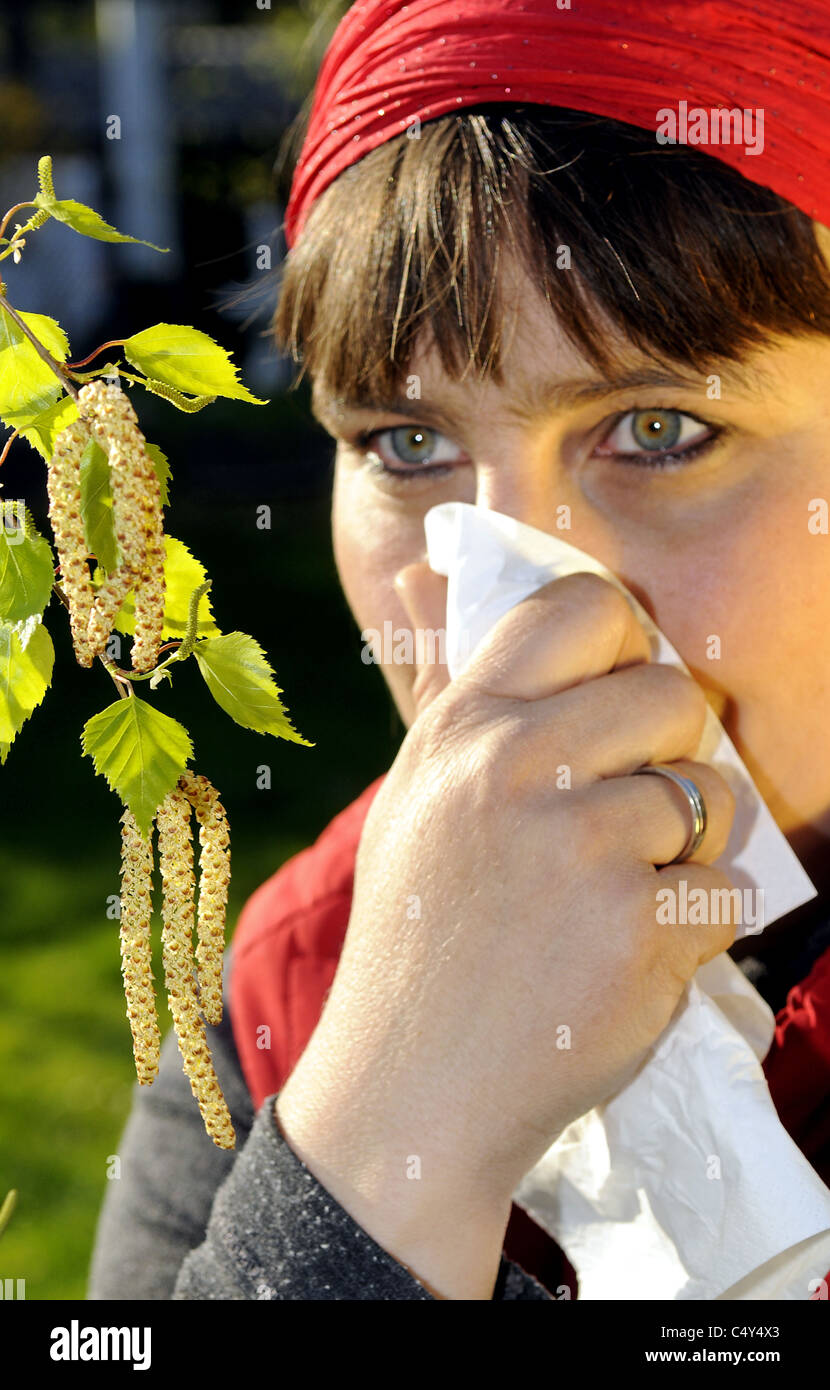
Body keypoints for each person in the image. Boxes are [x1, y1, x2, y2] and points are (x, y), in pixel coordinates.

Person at [87, 0, 830, 1300]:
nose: (508, 605)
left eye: (656, 431)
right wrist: (386, 1126)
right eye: (403, 444)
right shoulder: (276, 999)